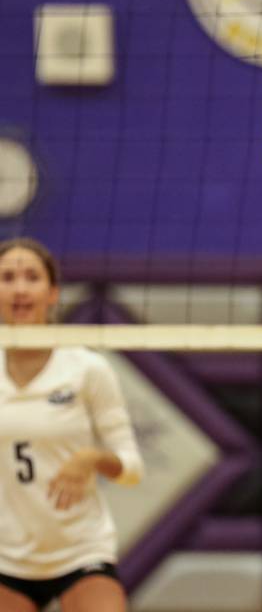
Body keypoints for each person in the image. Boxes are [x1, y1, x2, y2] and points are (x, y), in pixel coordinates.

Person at [0, 237, 144, 612]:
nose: (19, 288)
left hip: (81, 553)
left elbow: (131, 468)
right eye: (7, 277)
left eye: (31, 277)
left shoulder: (85, 368)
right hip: (6, 558)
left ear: (52, 293)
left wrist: (92, 459)